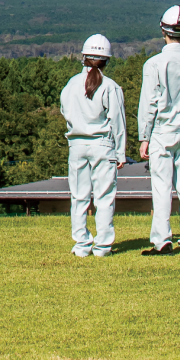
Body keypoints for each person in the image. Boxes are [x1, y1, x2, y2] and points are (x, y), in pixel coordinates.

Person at [138, 6, 180, 255]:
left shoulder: (154, 63)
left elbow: (149, 104)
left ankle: (162, 240)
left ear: (163, 31)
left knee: (162, 187)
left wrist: (143, 137)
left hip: (162, 132)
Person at [59, 35, 127, 257]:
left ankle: (81, 244)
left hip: (77, 143)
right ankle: (102, 246)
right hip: (102, 144)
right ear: (107, 60)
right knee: (104, 196)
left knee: (79, 196)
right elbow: (118, 122)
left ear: (83, 57)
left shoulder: (70, 84)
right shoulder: (110, 87)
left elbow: (64, 111)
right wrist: (121, 152)